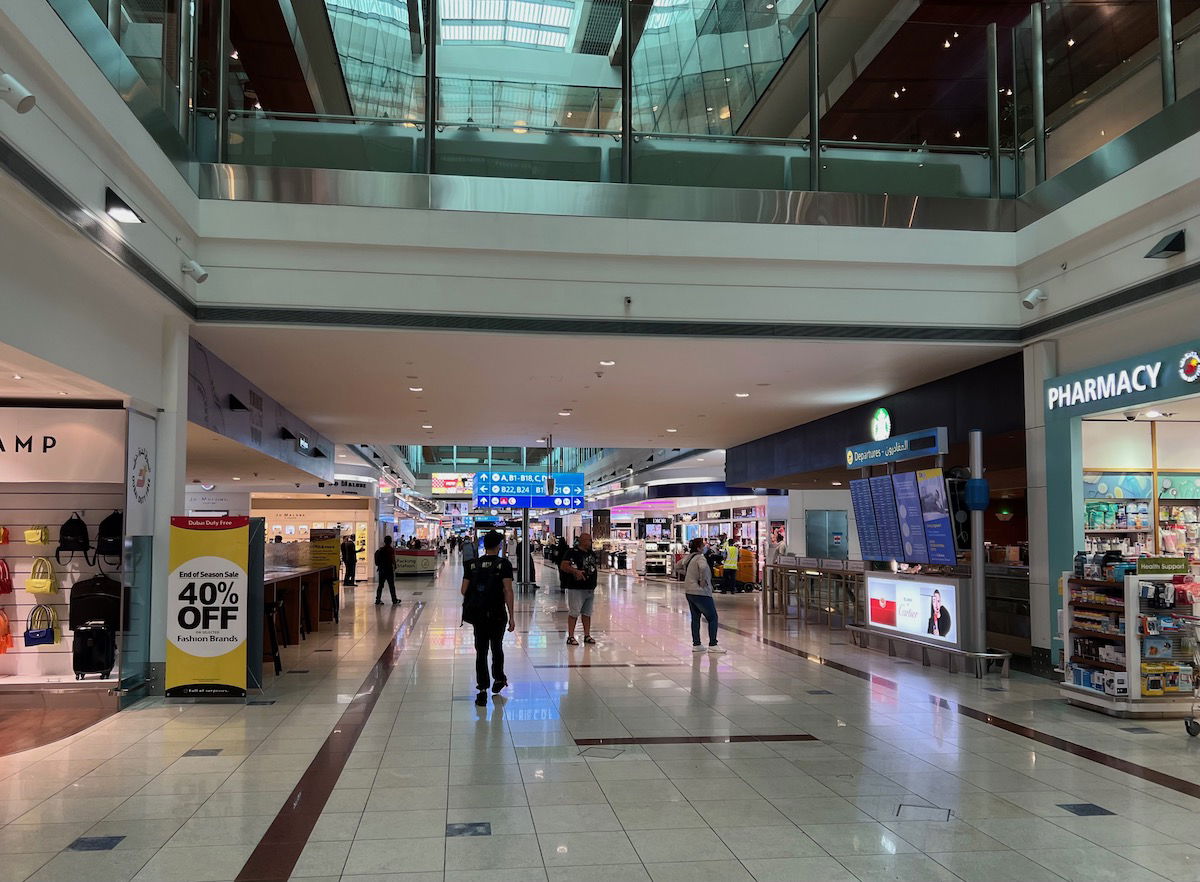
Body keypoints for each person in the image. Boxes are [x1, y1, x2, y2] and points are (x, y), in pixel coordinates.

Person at [461, 531, 515, 703]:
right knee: (497, 647)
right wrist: (512, 616)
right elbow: (508, 590)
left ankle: (482, 688)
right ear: (499, 545)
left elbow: (463, 590)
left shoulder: (472, 564)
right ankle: (499, 678)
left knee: (481, 651)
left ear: (484, 545)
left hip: (478, 614)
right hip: (497, 613)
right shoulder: (503, 564)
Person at [681, 538, 725, 653]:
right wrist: (702, 579)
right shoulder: (700, 557)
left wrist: (688, 575)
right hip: (701, 592)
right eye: (703, 546)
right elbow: (704, 568)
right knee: (712, 617)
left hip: (689, 591)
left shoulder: (688, 557)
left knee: (695, 618)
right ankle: (713, 644)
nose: (705, 547)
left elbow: (677, 566)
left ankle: (697, 644)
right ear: (699, 547)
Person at [560, 533, 599, 644]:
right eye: (588, 540)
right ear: (582, 540)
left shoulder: (591, 553)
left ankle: (587, 635)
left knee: (587, 613)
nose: (590, 542)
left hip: (589, 587)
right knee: (574, 612)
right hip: (576, 588)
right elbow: (563, 566)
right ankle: (571, 636)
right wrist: (575, 571)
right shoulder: (572, 552)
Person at [374, 535, 400, 605]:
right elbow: (393, 559)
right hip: (389, 569)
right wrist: (395, 566)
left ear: (384, 541)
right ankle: (394, 600)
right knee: (391, 585)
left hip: (381, 569)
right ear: (390, 541)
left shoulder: (380, 549)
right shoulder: (391, 549)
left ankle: (378, 600)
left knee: (380, 585)